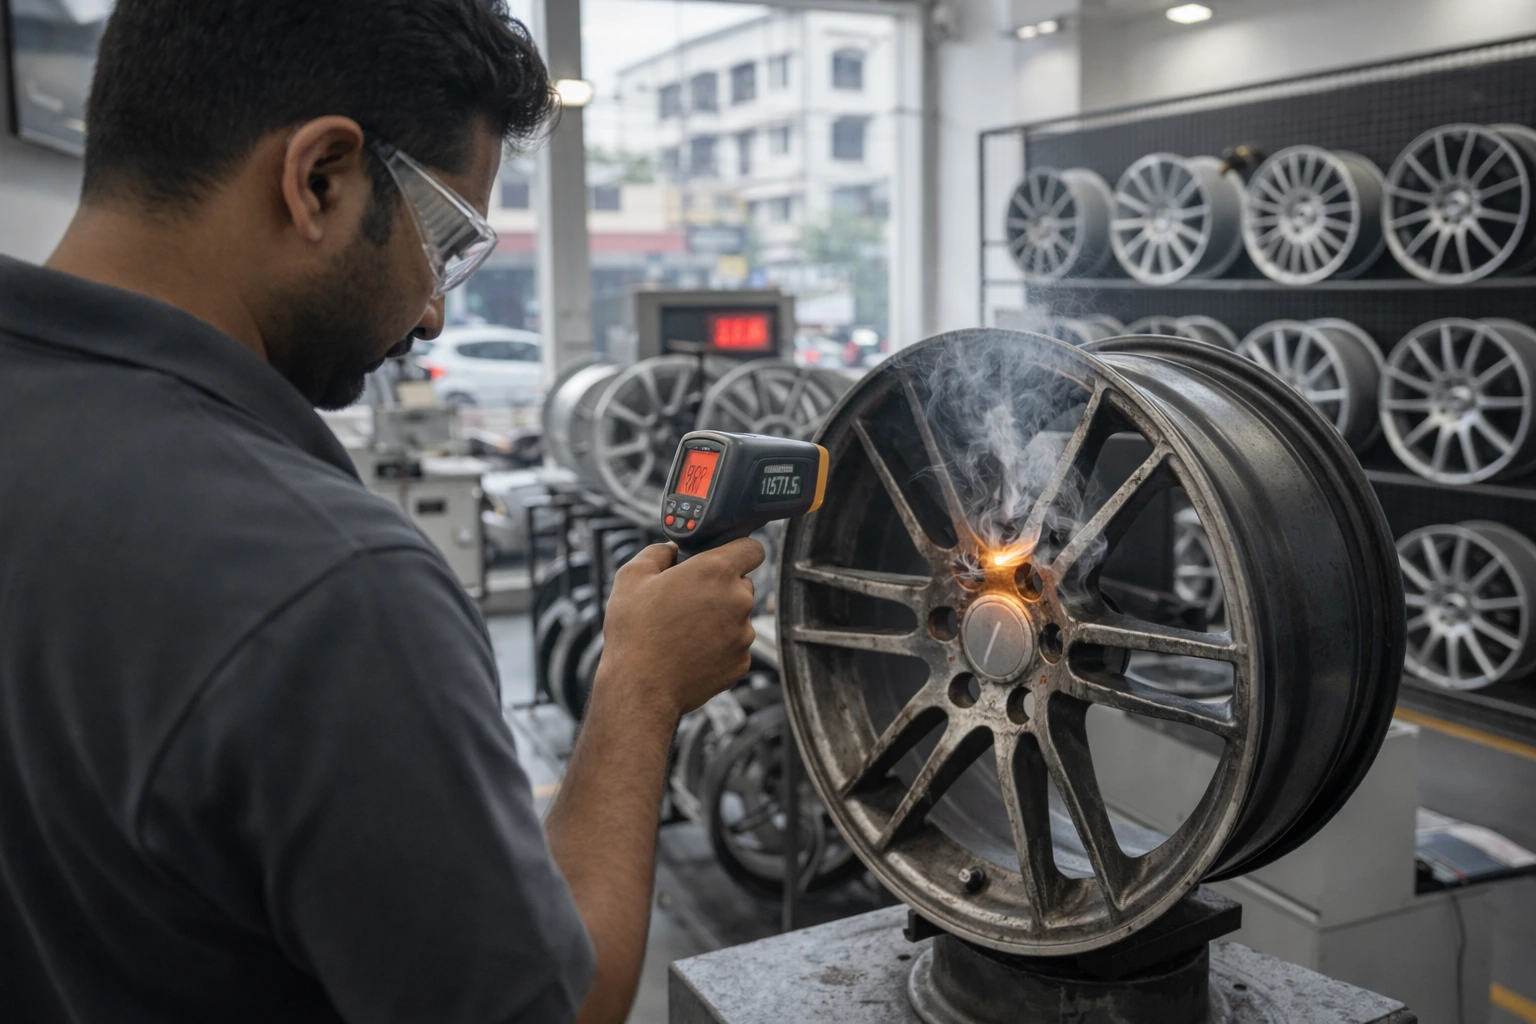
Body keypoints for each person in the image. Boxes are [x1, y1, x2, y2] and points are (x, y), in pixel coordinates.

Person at [0, 2, 764, 1021]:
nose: (438, 309)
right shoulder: (329, 589)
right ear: (319, 178)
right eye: (446, 238)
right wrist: (640, 686)